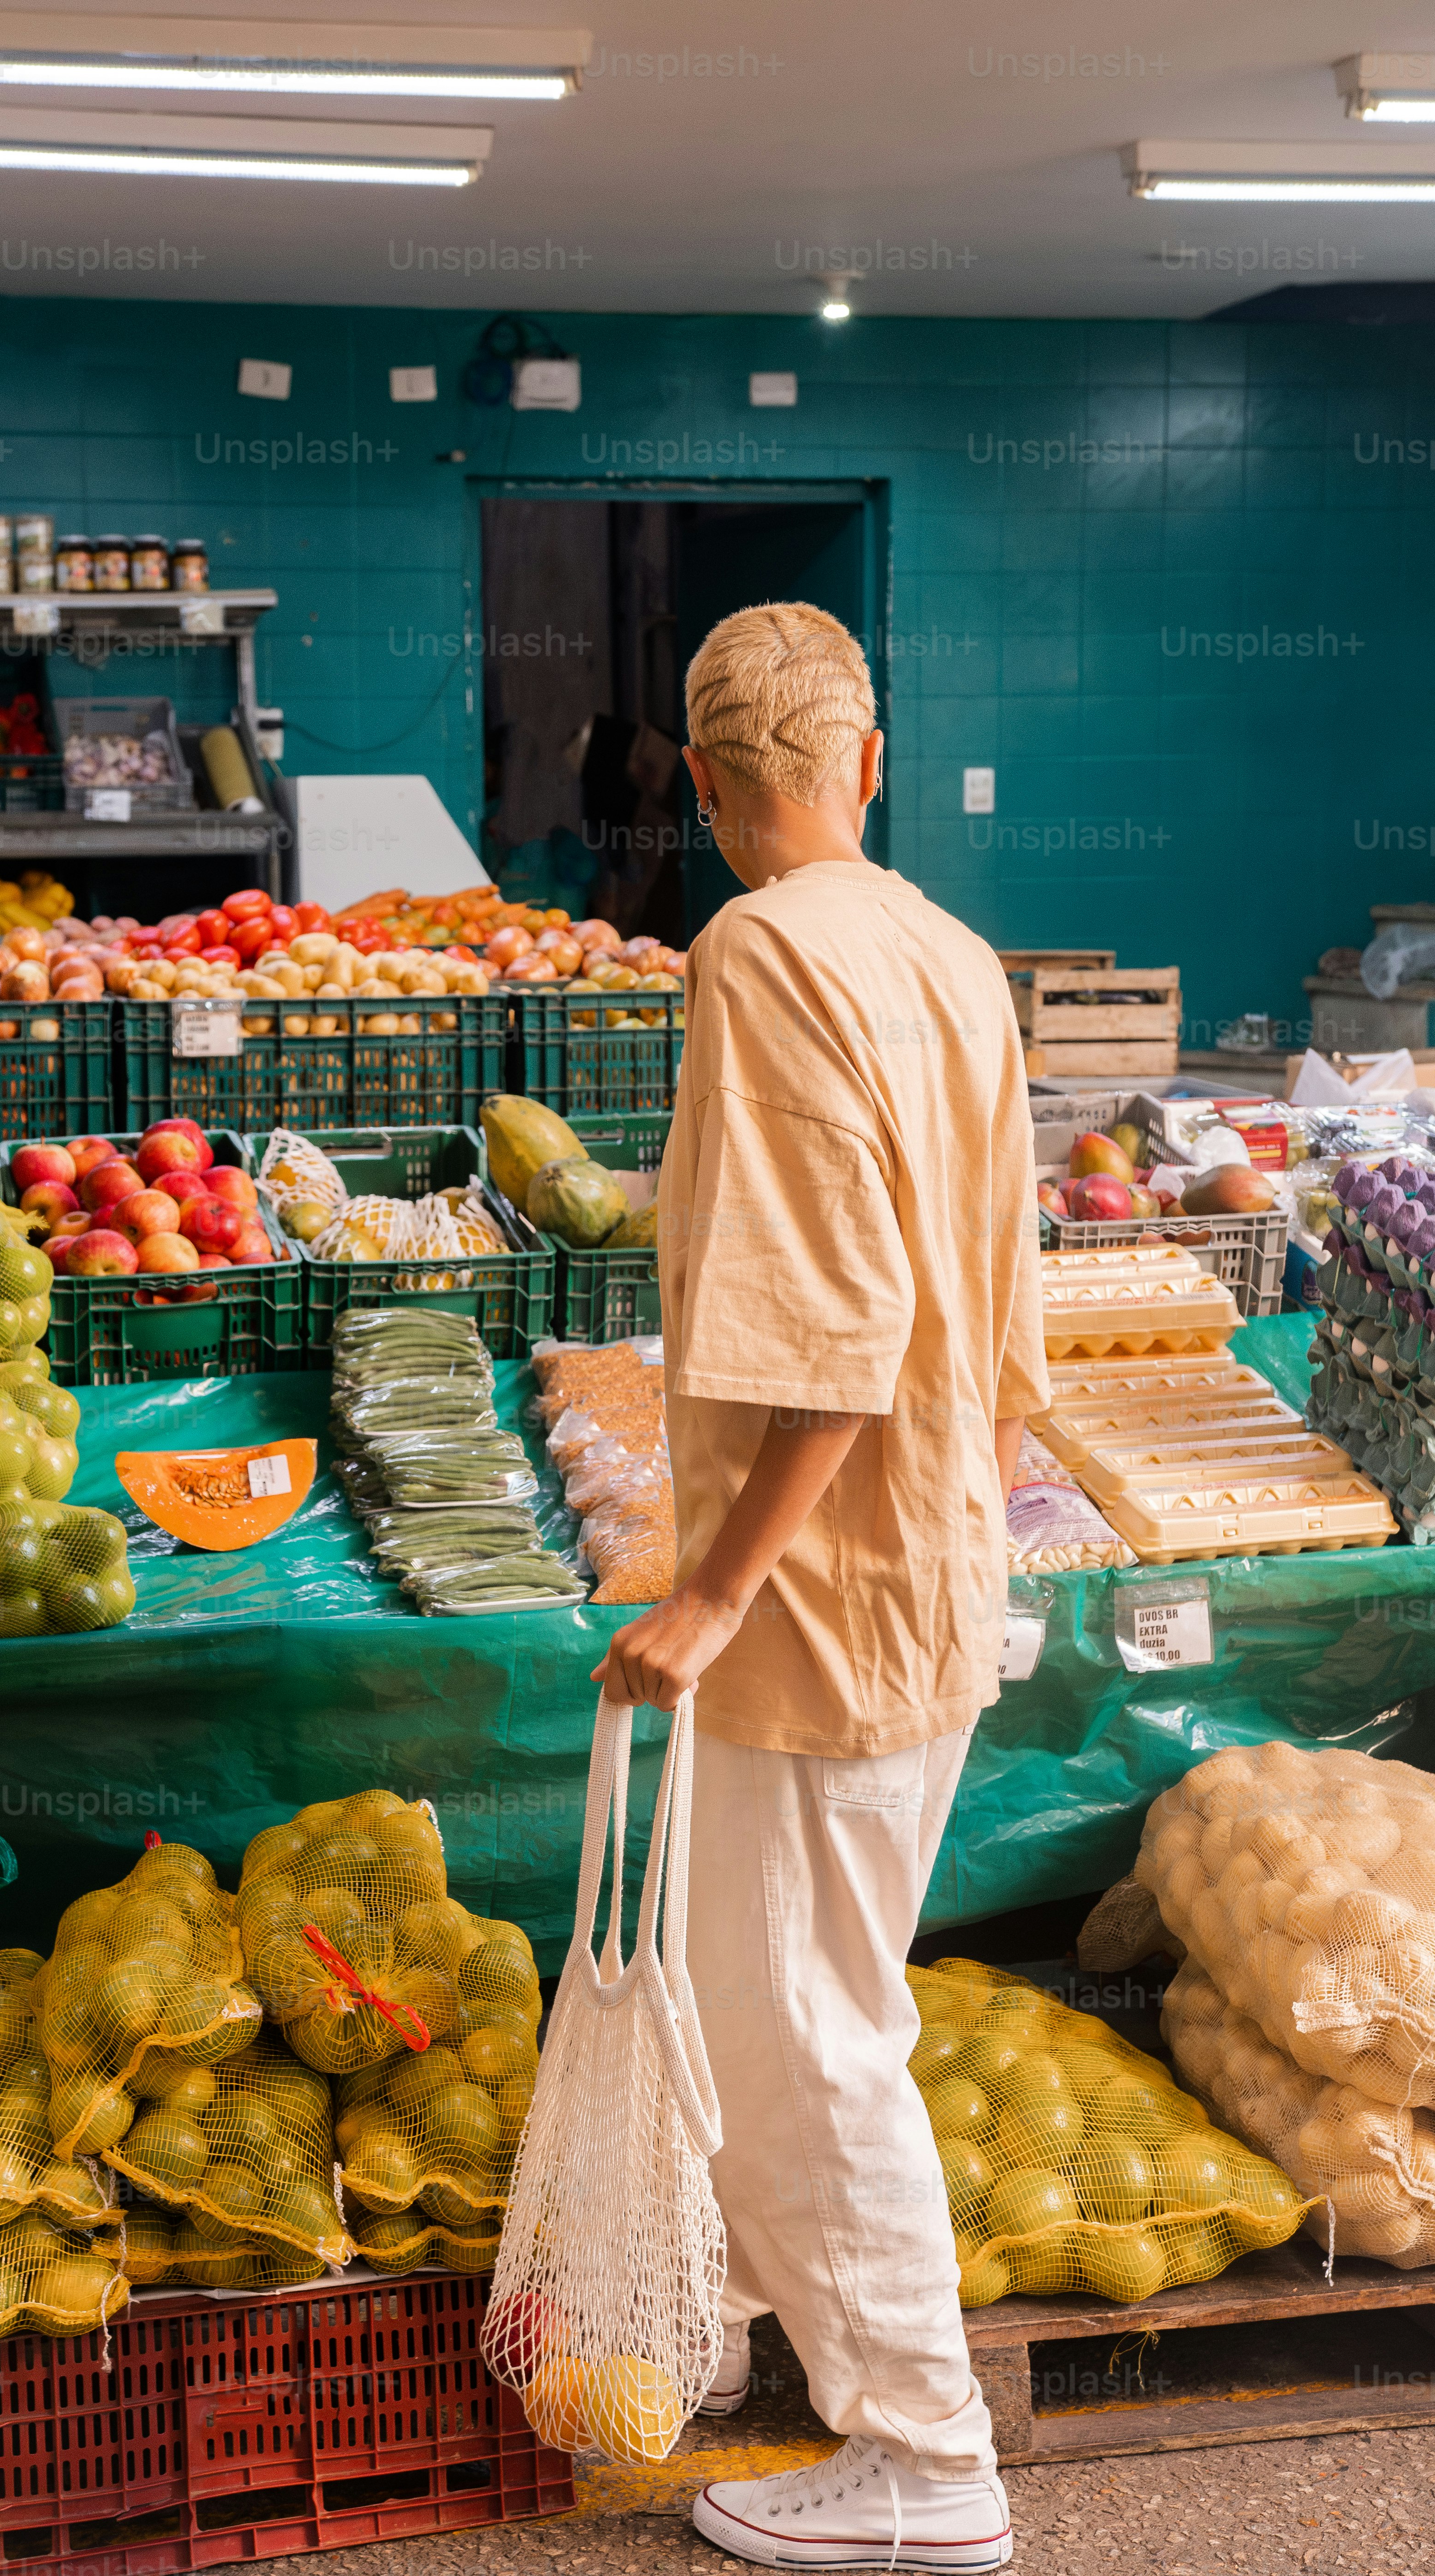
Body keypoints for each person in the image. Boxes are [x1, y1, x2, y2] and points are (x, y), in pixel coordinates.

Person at [592, 601, 1046, 2571]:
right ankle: (797, 2336)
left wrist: (706, 1600)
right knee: (825, 2002)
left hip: (810, 1606)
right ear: (866, 759)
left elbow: (835, 1331)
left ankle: (924, 2462)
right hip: (927, 1563)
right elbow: (978, 1307)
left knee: (805, 2032)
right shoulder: (942, 949)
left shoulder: (757, 954)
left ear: (699, 788)